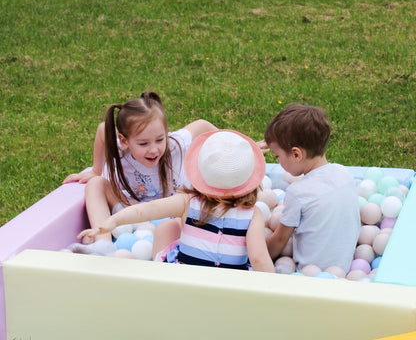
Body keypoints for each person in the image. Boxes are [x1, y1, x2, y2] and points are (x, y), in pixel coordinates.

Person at [78, 130, 275, 273]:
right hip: (231, 285)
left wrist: (113, 221)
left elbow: (147, 210)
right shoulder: (252, 214)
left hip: (186, 281)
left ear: (200, 173)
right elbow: (258, 257)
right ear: (251, 179)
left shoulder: (187, 202)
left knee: (167, 236)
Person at [65, 91, 217, 246]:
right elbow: (102, 130)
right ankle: (103, 244)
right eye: (143, 144)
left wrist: (234, 150)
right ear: (124, 141)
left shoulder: (175, 144)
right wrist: (95, 171)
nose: (153, 150)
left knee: (188, 212)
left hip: (172, 216)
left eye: (159, 139)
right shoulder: (122, 148)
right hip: (130, 214)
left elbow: (203, 125)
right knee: (96, 183)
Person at [258, 103, 360, 273]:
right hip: (344, 268)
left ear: (296, 154)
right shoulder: (344, 174)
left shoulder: (298, 192)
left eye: (277, 156)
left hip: (309, 275)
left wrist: (253, 256)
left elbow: (280, 241)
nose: (277, 161)